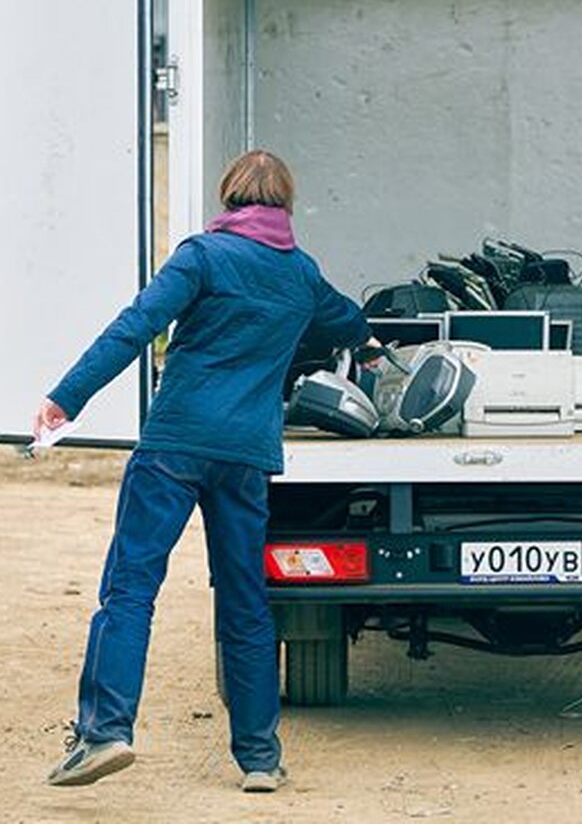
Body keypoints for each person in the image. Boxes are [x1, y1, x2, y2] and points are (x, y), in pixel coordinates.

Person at [37, 150, 376, 790]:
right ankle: (259, 759)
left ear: (232, 199)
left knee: (131, 588)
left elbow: (136, 327)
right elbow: (350, 321)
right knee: (246, 604)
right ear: (284, 206)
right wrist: (369, 343)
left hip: (175, 446)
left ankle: (106, 732)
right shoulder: (301, 274)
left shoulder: (202, 255)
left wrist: (66, 397)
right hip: (245, 458)